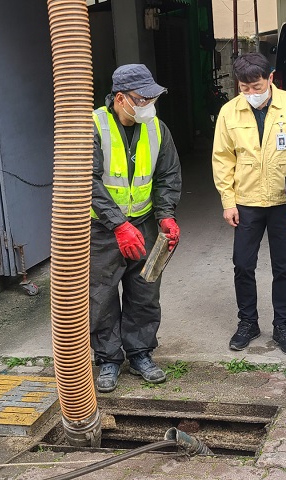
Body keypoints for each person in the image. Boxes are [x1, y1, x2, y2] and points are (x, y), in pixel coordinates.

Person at [90, 64, 182, 393]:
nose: (149, 104)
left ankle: (140, 352)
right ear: (120, 98)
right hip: (102, 229)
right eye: (142, 99)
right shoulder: (95, 126)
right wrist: (117, 224)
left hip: (143, 223)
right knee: (101, 297)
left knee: (145, 291)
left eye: (152, 98)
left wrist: (166, 214)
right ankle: (108, 359)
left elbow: (168, 175)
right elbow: (88, 182)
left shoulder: (156, 128)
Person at [212, 53, 286, 354]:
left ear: (271, 78)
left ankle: (282, 325)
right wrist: (228, 201)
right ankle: (248, 322)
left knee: (283, 266)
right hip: (247, 201)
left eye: (256, 86)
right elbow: (223, 159)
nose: (250, 93)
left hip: (283, 201)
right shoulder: (229, 112)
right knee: (242, 264)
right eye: (244, 88)